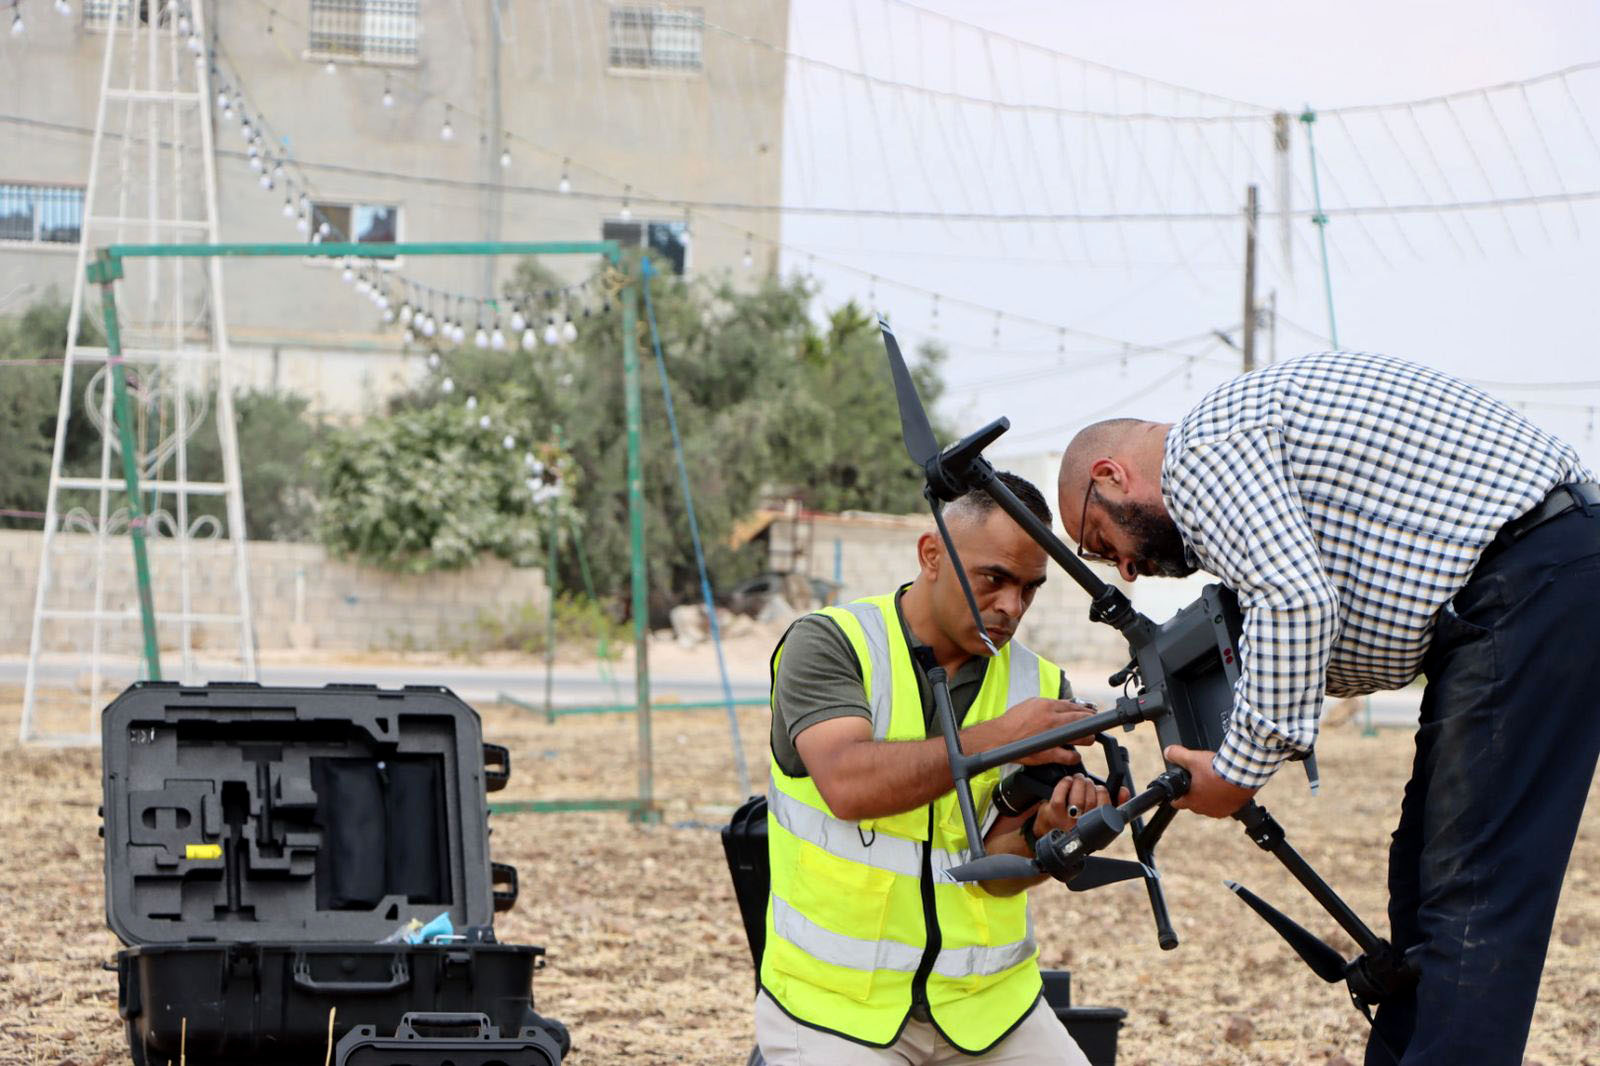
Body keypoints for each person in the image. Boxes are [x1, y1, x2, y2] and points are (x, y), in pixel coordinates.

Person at [1055, 351, 1600, 1066]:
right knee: (1426, 883)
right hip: (1517, 593)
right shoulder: (1237, 453)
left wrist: (1235, 773)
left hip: (1532, 583)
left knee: (1472, 895)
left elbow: (1297, 603)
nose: (1125, 568)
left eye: (1104, 542)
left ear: (1111, 476)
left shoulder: (1201, 453)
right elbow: (1312, 600)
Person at [756, 471, 1112, 1066]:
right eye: (993, 579)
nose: (1011, 607)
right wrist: (1002, 738)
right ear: (931, 555)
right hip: (834, 1010)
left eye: (1029, 589)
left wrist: (1049, 833)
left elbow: (998, 875)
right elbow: (848, 785)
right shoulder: (829, 644)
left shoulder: (1041, 685)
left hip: (988, 1007)